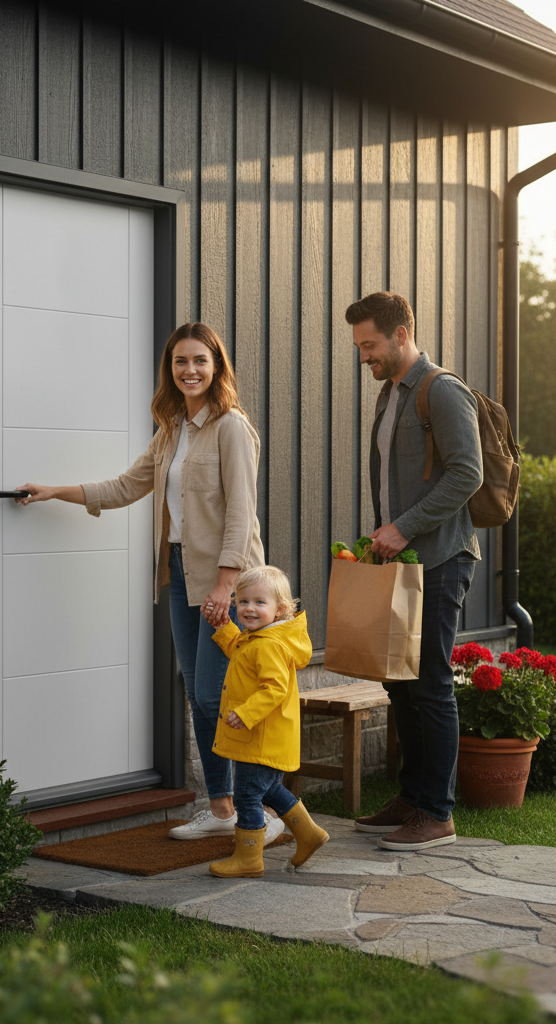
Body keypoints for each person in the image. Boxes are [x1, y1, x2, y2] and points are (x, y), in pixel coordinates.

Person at [14, 323, 283, 843]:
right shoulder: (171, 430)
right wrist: (53, 492)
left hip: (228, 580)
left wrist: (225, 585)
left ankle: (265, 812)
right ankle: (223, 807)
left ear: (217, 366)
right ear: (170, 369)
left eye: (200, 360)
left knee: (217, 696)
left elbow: (241, 514)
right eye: (181, 361)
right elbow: (124, 486)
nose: (190, 370)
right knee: (201, 696)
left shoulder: (231, 427)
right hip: (180, 574)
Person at [346, 292, 483, 851]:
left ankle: (437, 812)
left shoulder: (441, 391)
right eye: (359, 347)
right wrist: (386, 536)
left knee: (428, 686)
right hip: (400, 564)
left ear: (402, 333)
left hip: (441, 561)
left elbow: (466, 474)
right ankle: (412, 797)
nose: (363, 357)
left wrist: (402, 526)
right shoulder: (390, 394)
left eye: (370, 345)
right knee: (399, 681)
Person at [207, 566, 329, 878]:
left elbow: (273, 688)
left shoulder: (269, 644)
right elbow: (239, 649)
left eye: (260, 602)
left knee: (248, 795)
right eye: (244, 601)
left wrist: (246, 713)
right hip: (266, 736)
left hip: (260, 735)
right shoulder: (257, 638)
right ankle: (309, 833)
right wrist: (223, 626)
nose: (249, 608)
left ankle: (248, 858)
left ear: (281, 609)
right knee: (270, 788)